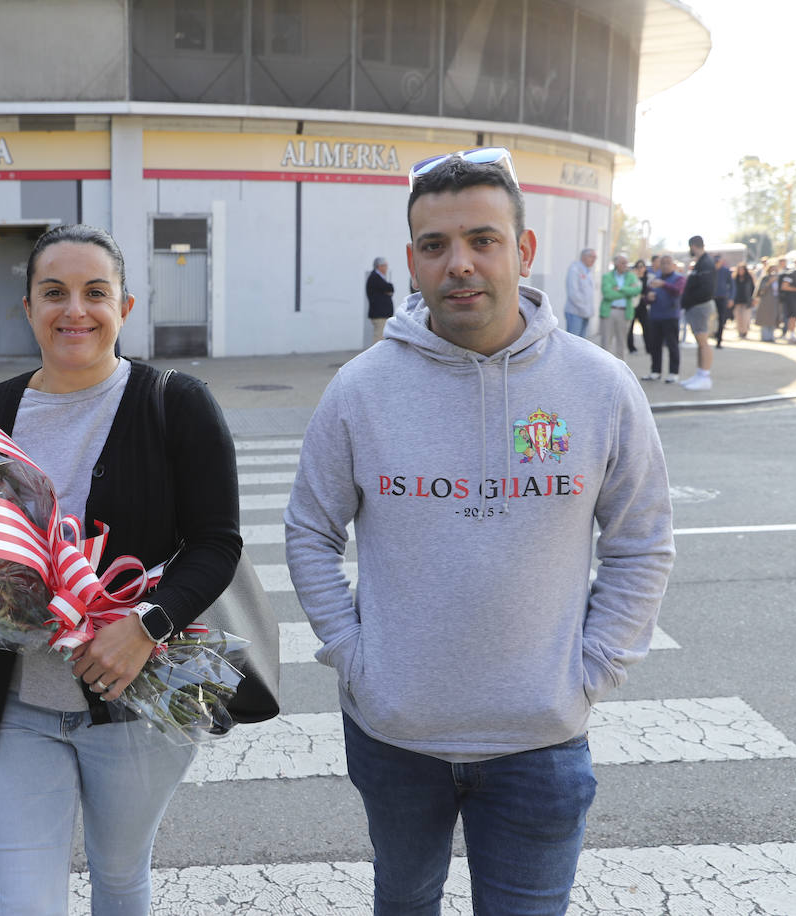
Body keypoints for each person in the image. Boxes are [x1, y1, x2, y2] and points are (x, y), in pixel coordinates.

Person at [284, 148, 675, 915]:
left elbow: (641, 541)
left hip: (541, 742)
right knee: (403, 903)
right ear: (412, 262)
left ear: (523, 251)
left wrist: (591, 671)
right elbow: (309, 533)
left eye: (482, 240)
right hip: (395, 735)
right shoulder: (360, 390)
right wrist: (356, 658)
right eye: (435, 246)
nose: (459, 264)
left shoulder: (599, 386)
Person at [0, 224, 240, 915]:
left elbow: (216, 543)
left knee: (119, 880)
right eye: (53, 293)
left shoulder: (175, 405)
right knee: (27, 902)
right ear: (26, 308)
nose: (75, 311)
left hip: (137, 704)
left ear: (126, 306)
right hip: (18, 707)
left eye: (96, 292)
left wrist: (146, 625)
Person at [678, 236, 716, 390]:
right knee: (700, 344)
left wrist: (690, 301)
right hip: (696, 307)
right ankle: (700, 374)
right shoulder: (701, 262)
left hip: (700, 307)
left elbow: (706, 289)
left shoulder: (706, 263)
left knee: (703, 342)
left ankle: (705, 376)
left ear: (693, 246)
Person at [645, 255, 684, 382]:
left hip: (670, 316)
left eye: (668, 263)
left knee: (672, 345)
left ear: (673, 265)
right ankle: (655, 371)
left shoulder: (678, 278)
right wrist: (648, 297)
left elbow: (677, 291)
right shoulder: (655, 279)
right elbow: (647, 297)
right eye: (663, 263)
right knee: (655, 345)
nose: (665, 265)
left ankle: (673, 372)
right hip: (655, 316)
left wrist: (664, 285)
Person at [598, 253, 641, 360]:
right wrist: (627, 291)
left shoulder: (631, 277)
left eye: (626, 263)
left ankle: (622, 369)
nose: (625, 265)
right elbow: (607, 294)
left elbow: (636, 290)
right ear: (616, 264)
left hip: (624, 312)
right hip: (609, 312)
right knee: (606, 342)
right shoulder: (607, 276)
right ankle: (604, 368)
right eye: (622, 263)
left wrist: (620, 288)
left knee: (622, 342)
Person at [563, 247, 596, 337]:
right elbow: (573, 293)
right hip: (575, 312)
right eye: (591, 257)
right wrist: (584, 309)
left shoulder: (588, 271)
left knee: (582, 343)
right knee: (573, 342)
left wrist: (588, 311)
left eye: (595, 257)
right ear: (583, 257)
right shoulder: (574, 269)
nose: (594, 260)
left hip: (585, 313)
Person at [365, 256, 395, 343]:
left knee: (381, 337)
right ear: (379, 266)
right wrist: (388, 290)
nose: (386, 268)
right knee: (379, 338)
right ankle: (375, 357)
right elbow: (389, 287)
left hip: (382, 314)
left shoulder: (378, 277)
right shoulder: (375, 277)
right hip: (379, 315)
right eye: (385, 265)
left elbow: (389, 289)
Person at [779, 261, 796, 343]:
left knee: (795, 317)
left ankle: (792, 334)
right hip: (790, 299)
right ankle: (789, 335)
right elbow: (784, 286)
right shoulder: (791, 274)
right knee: (791, 317)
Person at [627, 257, 650, 354]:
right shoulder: (632, 278)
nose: (640, 269)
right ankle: (632, 348)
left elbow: (647, 292)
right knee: (630, 328)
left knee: (647, 328)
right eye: (638, 267)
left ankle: (649, 348)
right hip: (632, 306)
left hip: (643, 306)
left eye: (642, 266)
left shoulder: (648, 278)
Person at [712, 254, 733, 348]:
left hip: (722, 298)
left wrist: (731, 298)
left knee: (721, 319)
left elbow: (732, 286)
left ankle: (719, 340)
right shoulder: (710, 270)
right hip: (711, 298)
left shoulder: (725, 271)